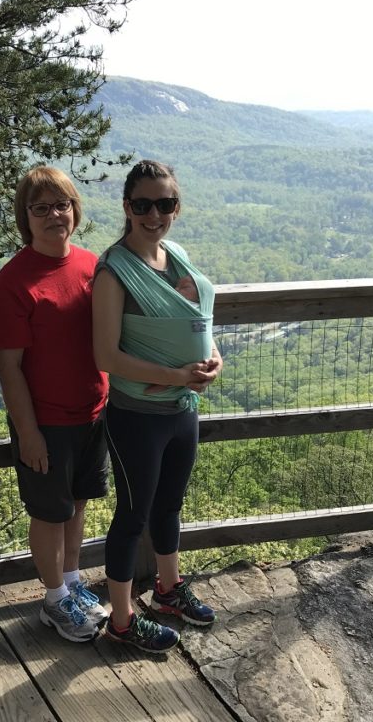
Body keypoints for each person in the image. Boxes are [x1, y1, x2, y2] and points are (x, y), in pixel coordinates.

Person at [92, 159, 223, 653]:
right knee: (131, 515)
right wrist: (174, 375)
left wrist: (214, 360)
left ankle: (168, 589)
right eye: (143, 205)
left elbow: (201, 325)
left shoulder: (178, 256)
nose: (154, 214)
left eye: (164, 204)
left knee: (169, 506)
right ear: (127, 207)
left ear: (177, 207)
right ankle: (122, 619)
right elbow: (106, 355)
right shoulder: (114, 272)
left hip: (181, 410)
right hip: (136, 417)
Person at [0, 166, 110, 643]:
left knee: (77, 504)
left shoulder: (90, 265)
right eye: (41, 208)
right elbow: (9, 367)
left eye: (62, 205)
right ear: (27, 217)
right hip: (46, 422)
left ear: (75, 211)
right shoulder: (14, 282)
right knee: (48, 513)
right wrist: (29, 432)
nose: (55, 215)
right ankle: (54, 598)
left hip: (92, 412)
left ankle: (73, 583)